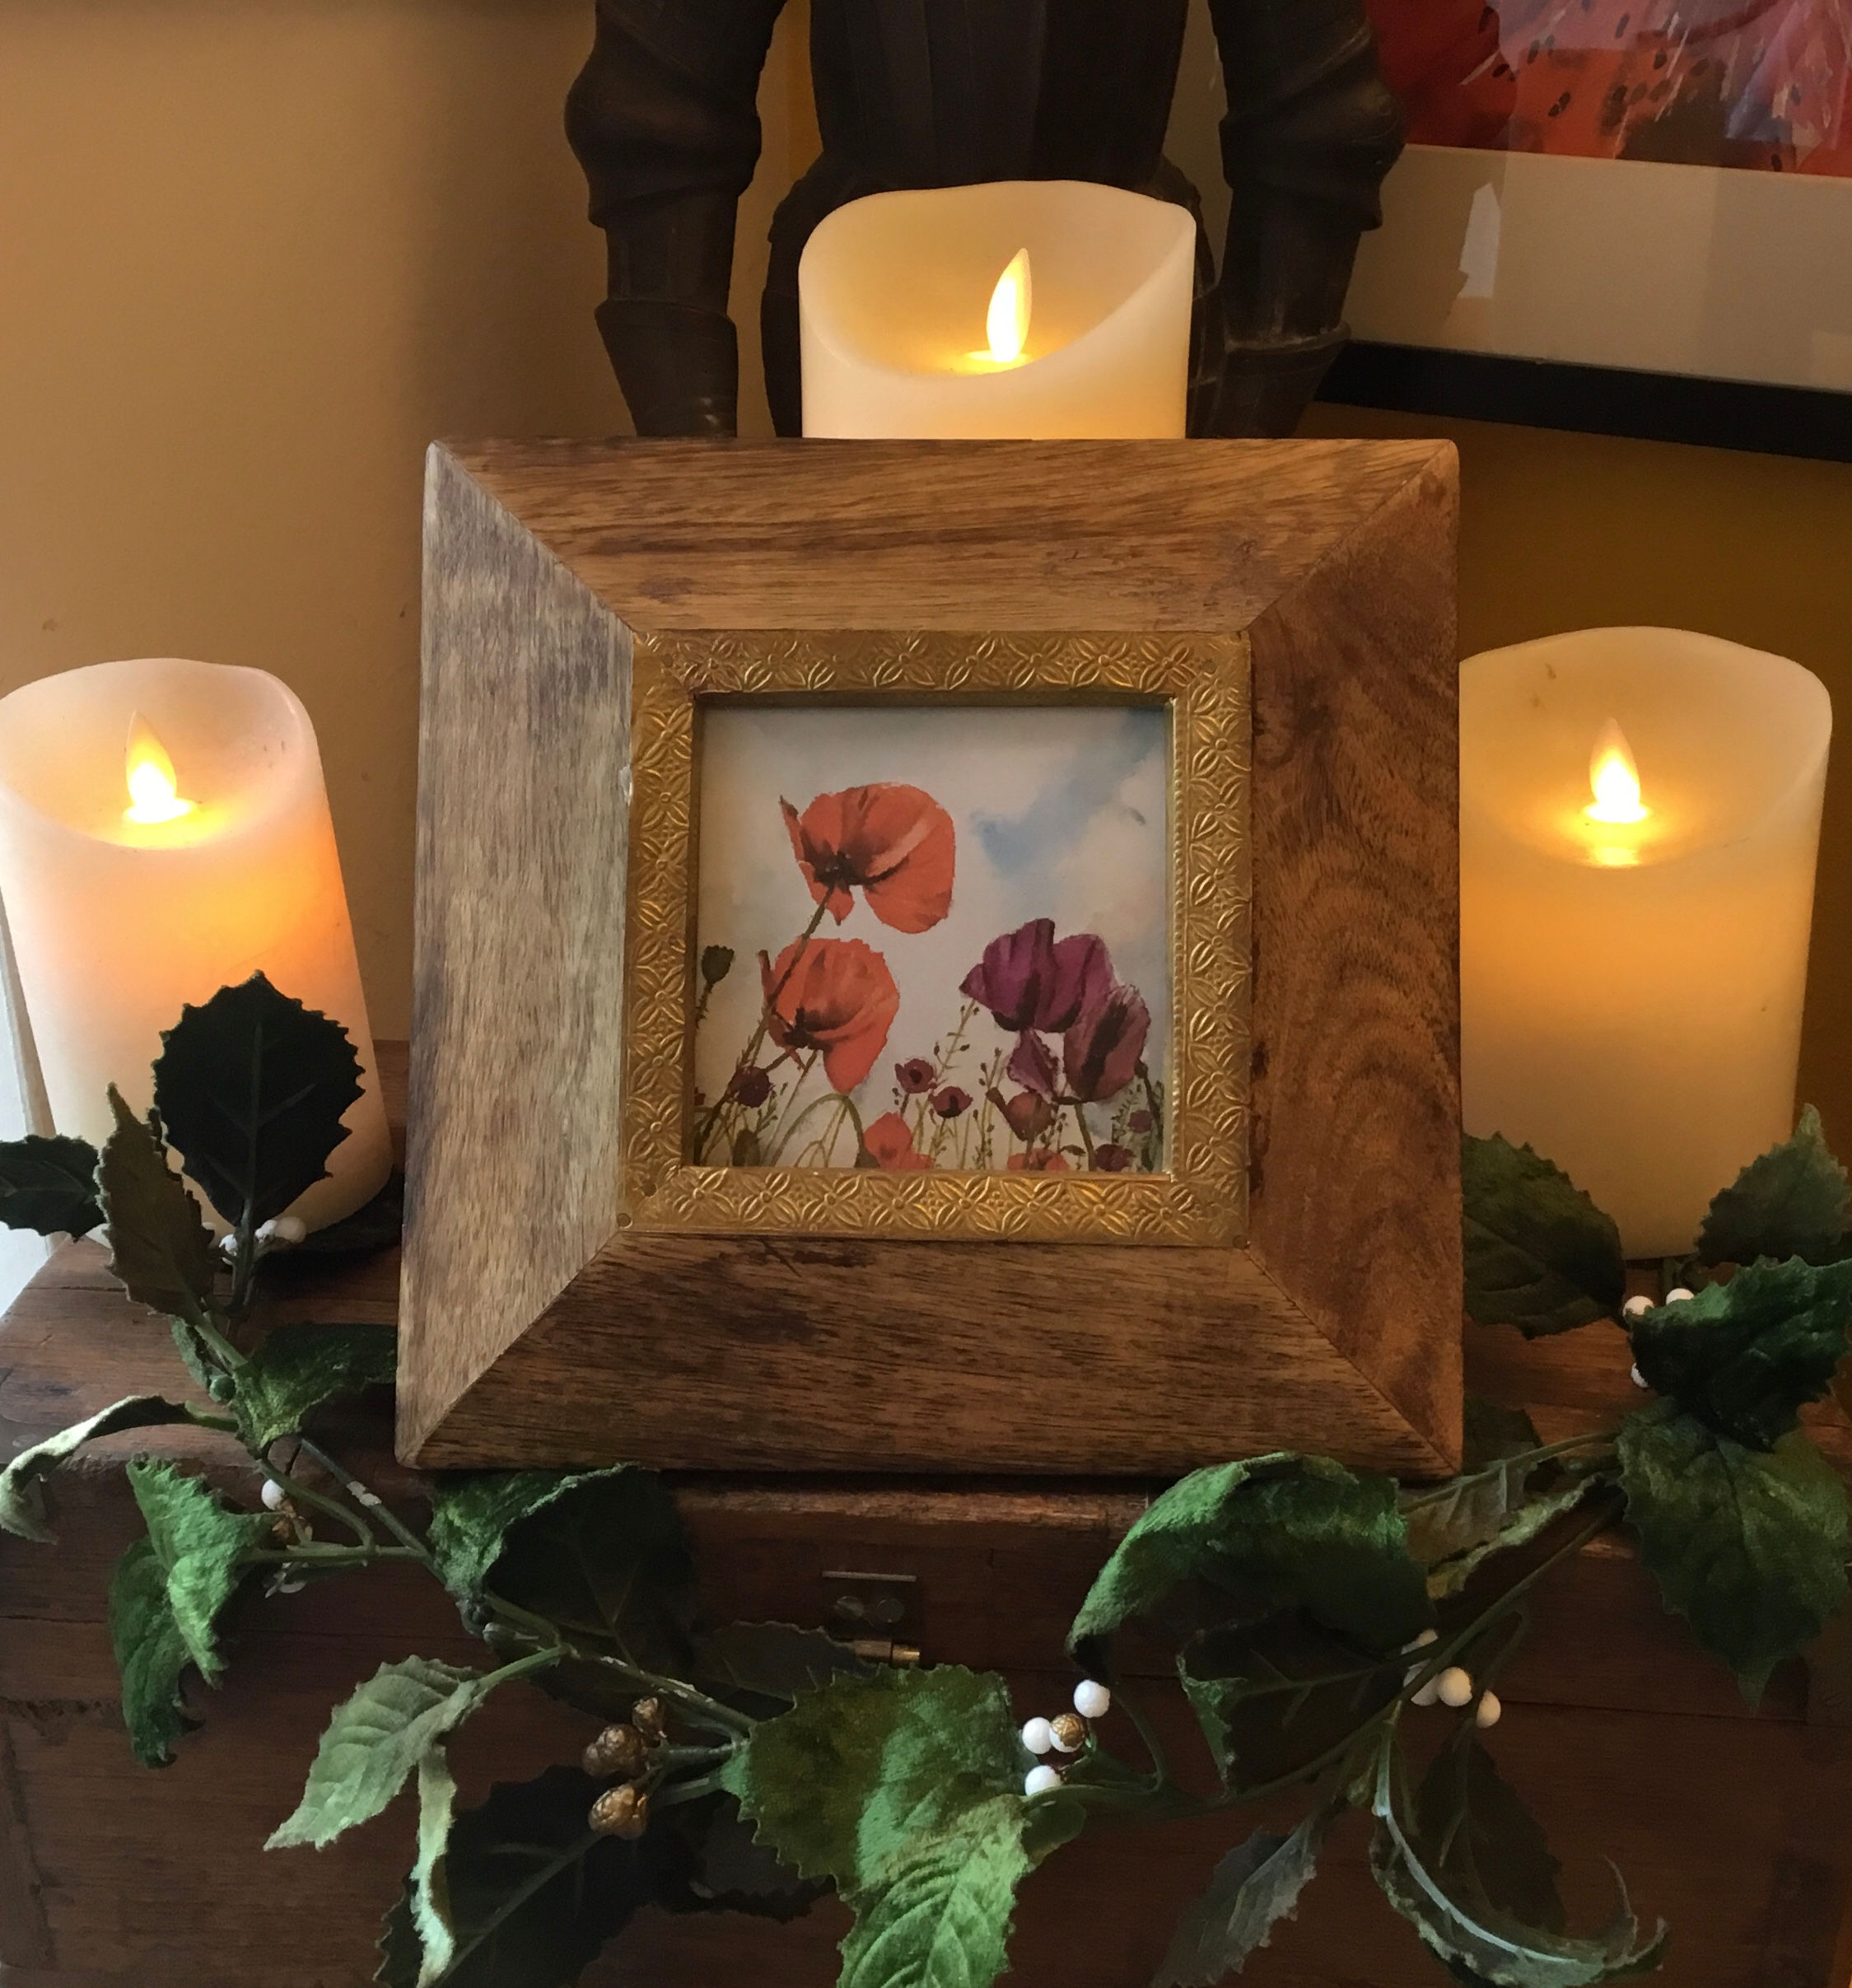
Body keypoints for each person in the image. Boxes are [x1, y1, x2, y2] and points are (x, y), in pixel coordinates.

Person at [566, 0, 1402, 437]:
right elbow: (654, 114)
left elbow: (1324, 123)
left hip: (1139, 318)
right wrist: (693, 467)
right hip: (853, 321)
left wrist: (1246, 462)